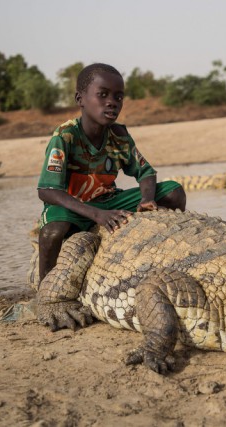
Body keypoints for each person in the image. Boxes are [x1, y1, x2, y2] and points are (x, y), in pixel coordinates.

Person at [37, 63, 186, 283]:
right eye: (103, 95)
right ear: (80, 99)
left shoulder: (119, 134)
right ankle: (45, 286)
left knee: (174, 191)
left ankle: (159, 256)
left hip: (109, 200)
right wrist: (97, 215)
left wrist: (147, 199)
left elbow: (145, 172)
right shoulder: (65, 136)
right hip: (73, 206)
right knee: (53, 232)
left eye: (118, 97)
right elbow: (47, 191)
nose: (112, 102)